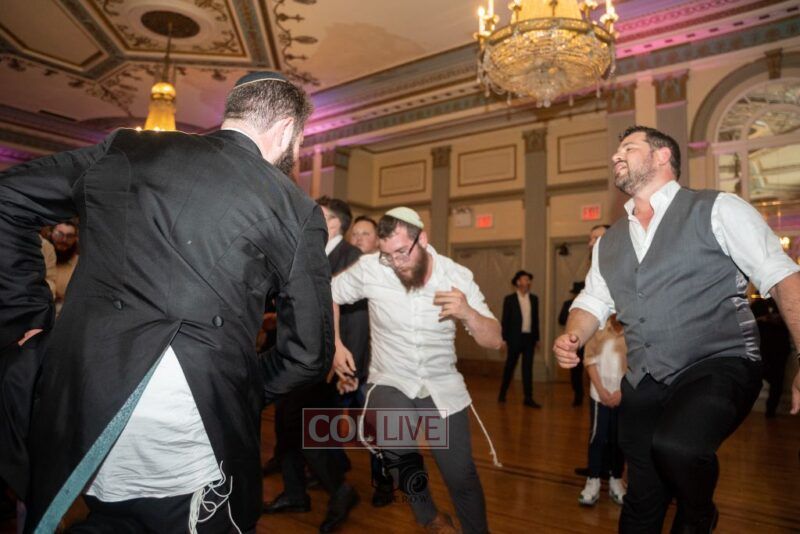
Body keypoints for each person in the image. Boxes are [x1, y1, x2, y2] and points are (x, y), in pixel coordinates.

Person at [0, 71, 333, 533]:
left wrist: (27, 319)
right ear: (286, 130)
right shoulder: (294, 208)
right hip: (189, 436)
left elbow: (8, 197)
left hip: (84, 404)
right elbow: (308, 354)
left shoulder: (127, 148)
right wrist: (242, 386)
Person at [554, 125, 800, 533]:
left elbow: (783, 278)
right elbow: (591, 301)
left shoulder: (718, 208)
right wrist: (574, 335)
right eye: (616, 150)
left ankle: (699, 513)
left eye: (628, 147)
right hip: (645, 377)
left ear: (662, 155)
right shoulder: (610, 241)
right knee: (642, 497)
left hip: (719, 363)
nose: (615, 156)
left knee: (677, 446)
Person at [331, 207, 503, 534]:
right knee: (398, 453)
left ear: (422, 239)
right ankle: (430, 518)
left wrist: (467, 312)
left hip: (441, 384)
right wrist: (336, 345)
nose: (396, 263)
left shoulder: (456, 275)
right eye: (387, 255)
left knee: (459, 474)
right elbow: (330, 294)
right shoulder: (371, 268)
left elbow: (494, 340)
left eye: (401, 252)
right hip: (390, 378)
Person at [264, 196, 362, 532]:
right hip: (292, 358)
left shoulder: (351, 257)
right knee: (286, 429)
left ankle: (340, 490)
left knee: (311, 435)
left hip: (325, 366)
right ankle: (295, 494)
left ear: (333, 222)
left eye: (315, 213)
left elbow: (356, 320)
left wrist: (347, 364)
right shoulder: (308, 250)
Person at [578, 314, 626, 507]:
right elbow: (589, 360)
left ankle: (616, 478)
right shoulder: (598, 329)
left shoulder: (632, 332)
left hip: (623, 395)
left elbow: (636, 365)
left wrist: (621, 392)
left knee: (619, 438)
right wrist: (602, 390)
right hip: (600, 394)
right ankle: (593, 479)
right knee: (598, 436)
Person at [498, 270, 541, 407]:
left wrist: (537, 338)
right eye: (525, 279)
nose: (528, 282)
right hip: (514, 338)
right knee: (510, 367)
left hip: (529, 339)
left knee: (527, 369)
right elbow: (505, 320)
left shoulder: (534, 299)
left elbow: (536, 320)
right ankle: (502, 394)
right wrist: (503, 339)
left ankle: (528, 398)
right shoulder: (509, 299)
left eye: (529, 280)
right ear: (518, 282)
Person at [750, 297, 792, 417]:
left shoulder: (785, 303)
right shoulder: (757, 305)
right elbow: (746, 323)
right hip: (760, 350)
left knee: (777, 383)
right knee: (751, 380)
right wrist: (763, 319)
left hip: (779, 351)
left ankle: (770, 412)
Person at [558, 281, 587, 407]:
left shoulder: (589, 305)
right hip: (574, 342)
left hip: (591, 342)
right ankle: (578, 395)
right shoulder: (568, 304)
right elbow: (561, 319)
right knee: (575, 371)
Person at [50, 220, 79, 316]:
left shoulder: (79, 265)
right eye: (59, 234)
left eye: (69, 236)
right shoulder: (39, 258)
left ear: (75, 239)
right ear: (51, 233)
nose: (63, 240)